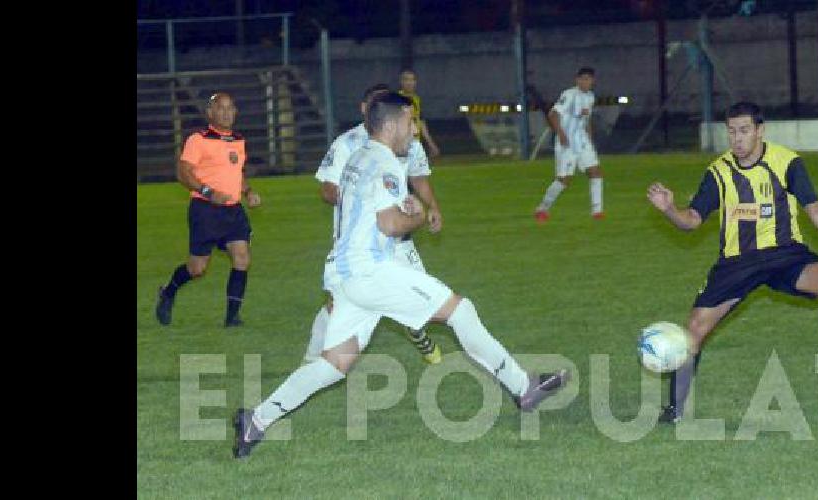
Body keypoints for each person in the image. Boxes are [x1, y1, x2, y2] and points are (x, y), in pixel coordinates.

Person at [232, 93, 570, 458]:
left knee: (335, 364)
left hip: (345, 275)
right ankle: (524, 388)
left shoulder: (359, 157)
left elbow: (370, 210)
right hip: (371, 270)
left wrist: (403, 207)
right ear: (392, 124)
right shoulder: (386, 162)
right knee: (460, 310)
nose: (415, 130)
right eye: (411, 123)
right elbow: (391, 224)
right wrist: (419, 214)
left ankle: (257, 419)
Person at [645, 101, 818, 424]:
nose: (737, 139)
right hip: (737, 263)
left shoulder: (787, 162)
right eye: (732, 132)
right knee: (694, 330)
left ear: (760, 131)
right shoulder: (718, 173)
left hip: (784, 254)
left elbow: (816, 211)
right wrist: (668, 209)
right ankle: (675, 410)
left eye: (744, 131)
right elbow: (691, 220)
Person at [307, 83, 443, 365]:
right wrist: (361, 195)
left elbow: (417, 176)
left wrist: (432, 207)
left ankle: (418, 333)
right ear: (365, 110)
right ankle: (312, 360)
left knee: (419, 298)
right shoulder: (347, 144)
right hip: (358, 242)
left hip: (397, 237)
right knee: (337, 304)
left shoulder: (408, 140)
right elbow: (327, 189)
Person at [155, 92, 262, 327]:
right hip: (205, 210)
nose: (226, 113)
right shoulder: (198, 139)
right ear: (210, 113)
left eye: (230, 108)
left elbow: (236, 172)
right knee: (197, 268)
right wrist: (208, 193)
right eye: (220, 108)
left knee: (242, 257)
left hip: (233, 211)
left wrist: (248, 191)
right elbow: (183, 173)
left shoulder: (238, 140)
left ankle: (232, 317)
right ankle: (168, 292)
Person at [534, 67, 605, 222]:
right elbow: (552, 114)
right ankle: (542, 208)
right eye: (583, 79)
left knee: (595, 171)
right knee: (564, 179)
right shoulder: (569, 95)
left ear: (593, 81)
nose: (586, 82)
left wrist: (590, 139)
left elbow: (587, 120)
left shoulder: (591, 97)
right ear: (577, 80)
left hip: (582, 140)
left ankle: (597, 211)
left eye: (588, 79)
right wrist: (561, 134)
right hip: (567, 142)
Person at [397, 69, 441, 158]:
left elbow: (420, 122)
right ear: (401, 82)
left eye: (412, 80)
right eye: (406, 80)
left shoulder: (416, 99)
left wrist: (431, 144)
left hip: (415, 144)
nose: (409, 83)